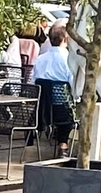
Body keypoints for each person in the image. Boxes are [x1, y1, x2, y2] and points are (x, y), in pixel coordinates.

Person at [32, 22, 76, 158]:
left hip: (41, 111)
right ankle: (63, 144)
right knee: (71, 107)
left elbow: (32, 83)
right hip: (62, 111)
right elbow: (74, 87)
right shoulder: (69, 60)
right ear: (65, 39)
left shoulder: (40, 59)